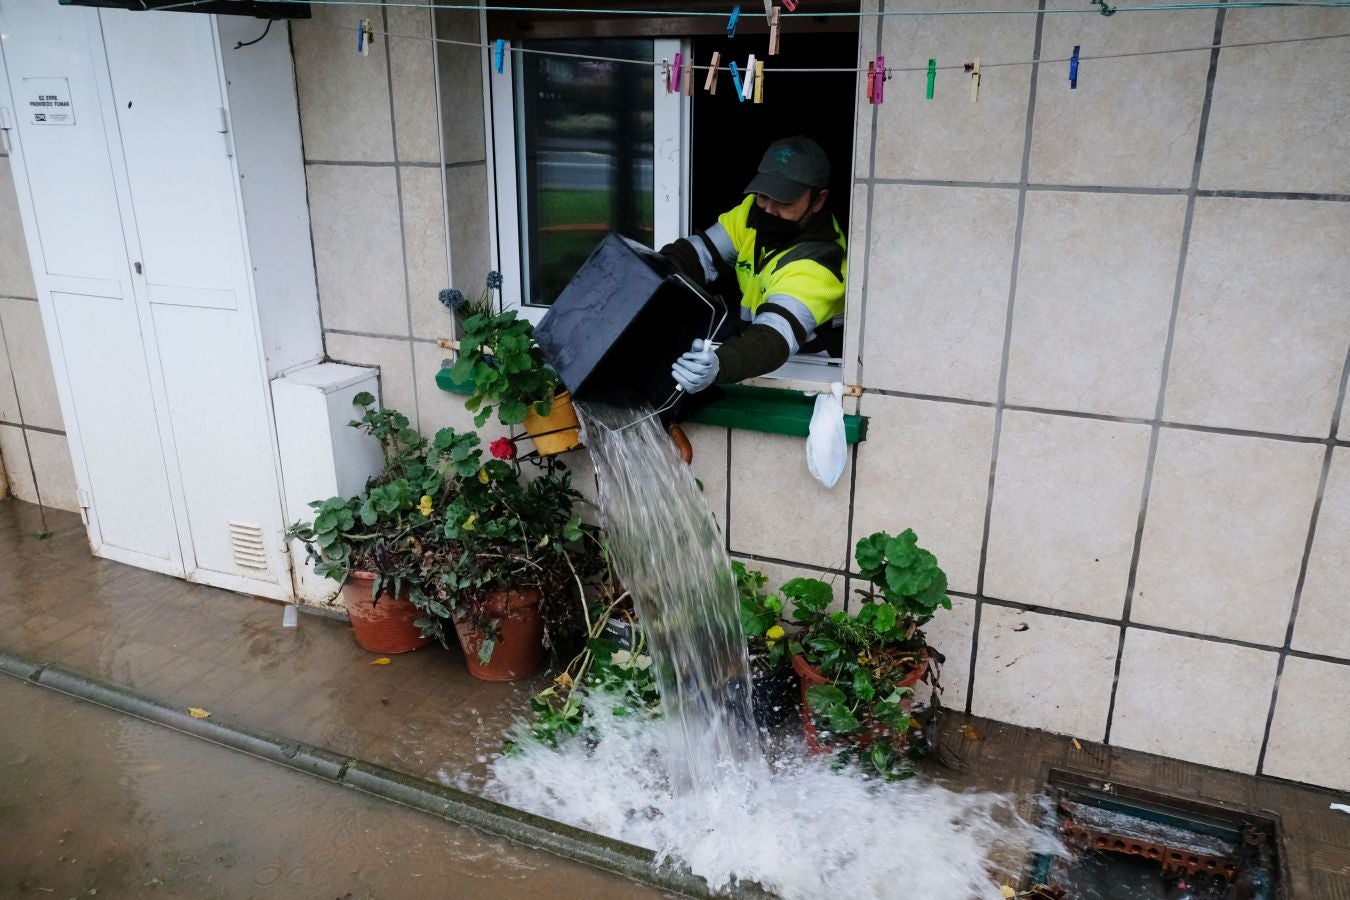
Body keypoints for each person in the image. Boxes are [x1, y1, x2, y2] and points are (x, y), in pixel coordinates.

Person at [661, 135, 847, 394]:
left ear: (818, 200)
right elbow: (695, 255)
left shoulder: (819, 262)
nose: (769, 209)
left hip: (807, 381)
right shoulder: (751, 212)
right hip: (754, 360)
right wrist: (651, 277)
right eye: (763, 195)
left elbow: (773, 336)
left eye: (785, 201)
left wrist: (719, 364)